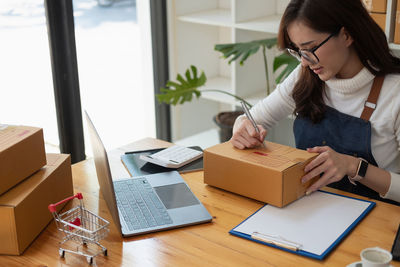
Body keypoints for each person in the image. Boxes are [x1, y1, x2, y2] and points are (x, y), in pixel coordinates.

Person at [231, 0, 400, 205]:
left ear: (346, 35)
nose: (304, 61)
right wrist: (242, 129)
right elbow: (252, 119)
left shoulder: (395, 92)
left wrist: (353, 166)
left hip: (377, 222)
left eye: (310, 48)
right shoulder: (306, 76)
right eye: (298, 51)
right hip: (308, 207)